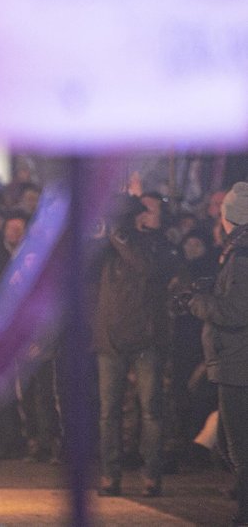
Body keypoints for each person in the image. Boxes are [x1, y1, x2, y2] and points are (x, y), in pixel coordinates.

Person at [93, 194, 176, 497]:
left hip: (146, 339)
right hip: (110, 340)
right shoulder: (105, 248)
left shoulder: (155, 244)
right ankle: (109, 475)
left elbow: (147, 268)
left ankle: (151, 474)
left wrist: (120, 238)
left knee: (151, 409)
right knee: (108, 412)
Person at [188, 181, 248, 526]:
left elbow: (235, 312)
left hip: (238, 362)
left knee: (235, 444)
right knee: (231, 441)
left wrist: (197, 302)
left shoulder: (241, 255)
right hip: (234, 360)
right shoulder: (236, 252)